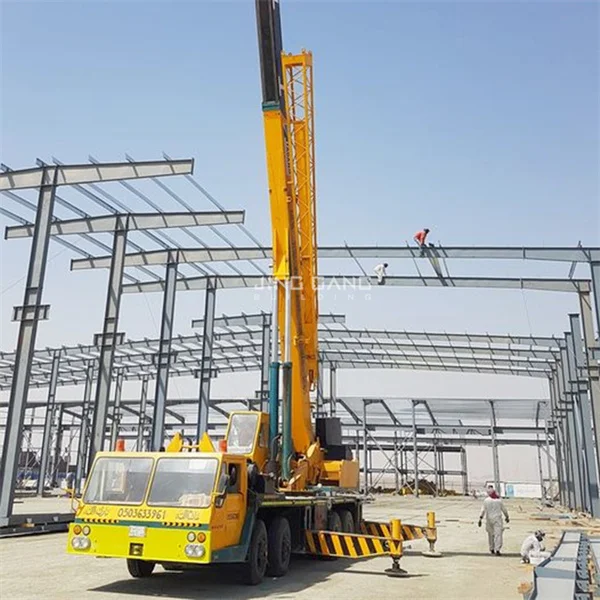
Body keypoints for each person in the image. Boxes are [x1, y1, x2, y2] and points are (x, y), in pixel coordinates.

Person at [478, 485, 509, 555]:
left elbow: (483, 510)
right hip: (497, 520)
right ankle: (497, 549)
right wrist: (507, 517)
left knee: (490, 535)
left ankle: (491, 548)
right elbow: (504, 509)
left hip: (489, 520)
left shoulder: (486, 501)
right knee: (498, 535)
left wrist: (480, 518)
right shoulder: (499, 501)